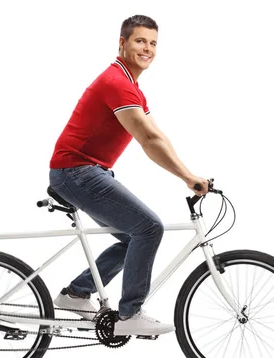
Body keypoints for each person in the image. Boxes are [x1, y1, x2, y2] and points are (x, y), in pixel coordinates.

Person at [48, 15, 209, 336]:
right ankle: (129, 315)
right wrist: (187, 177)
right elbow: (148, 141)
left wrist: (189, 172)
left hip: (85, 171)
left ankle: (75, 295)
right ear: (122, 44)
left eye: (152, 43)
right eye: (140, 41)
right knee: (149, 229)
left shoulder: (131, 86)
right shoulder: (117, 84)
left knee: (134, 238)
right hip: (76, 171)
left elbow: (157, 136)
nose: (147, 48)